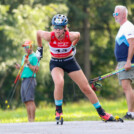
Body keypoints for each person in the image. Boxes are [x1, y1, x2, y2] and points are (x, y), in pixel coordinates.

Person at [36, 14, 114, 123]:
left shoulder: (71, 36)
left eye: (60, 28)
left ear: (65, 28)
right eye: (55, 27)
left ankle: (102, 113)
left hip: (69, 61)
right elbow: (38, 33)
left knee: (85, 87)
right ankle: (58, 111)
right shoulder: (50, 36)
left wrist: (73, 46)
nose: (57, 31)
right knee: (59, 82)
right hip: (56, 63)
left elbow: (78, 35)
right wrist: (39, 49)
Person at [113, 5, 134, 119]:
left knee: (126, 86)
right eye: (114, 14)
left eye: (117, 14)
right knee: (126, 86)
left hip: (127, 61)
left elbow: (132, 44)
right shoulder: (123, 27)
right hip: (123, 61)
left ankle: (131, 113)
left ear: (123, 15)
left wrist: (128, 61)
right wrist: (119, 64)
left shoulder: (128, 26)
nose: (115, 16)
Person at [15, 40, 39, 122]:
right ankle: (29, 120)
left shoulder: (34, 56)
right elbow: (24, 68)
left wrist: (28, 63)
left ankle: (32, 120)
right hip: (24, 79)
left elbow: (36, 69)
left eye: (27, 47)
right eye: (24, 47)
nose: (25, 48)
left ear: (31, 47)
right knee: (25, 101)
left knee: (30, 100)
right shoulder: (24, 56)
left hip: (30, 79)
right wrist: (19, 67)